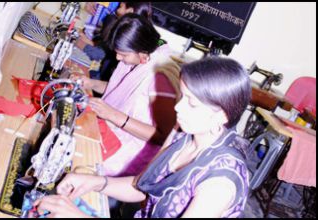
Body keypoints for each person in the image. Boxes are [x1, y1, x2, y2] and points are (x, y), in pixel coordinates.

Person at [33, 57, 252, 218]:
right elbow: (142, 186)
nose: (178, 107)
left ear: (221, 115)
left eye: (192, 103)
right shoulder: (182, 133)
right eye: (182, 97)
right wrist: (95, 182)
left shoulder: (220, 182)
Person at [73, 13, 181, 177]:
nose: (118, 58)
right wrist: (90, 83)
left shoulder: (161, 78)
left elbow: (162, 136)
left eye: (123, 54)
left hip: (128, 159)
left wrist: (113, 115)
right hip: (112, 137)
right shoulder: (142, 60)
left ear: (142, 54)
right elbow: (124, 90)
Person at [77, 2, 153, 81]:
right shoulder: (112, 20)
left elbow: (100, 54)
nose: (120, 2)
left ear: (130, 11)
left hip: (102, 78)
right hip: (98, 73)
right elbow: (102, 47)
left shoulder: (128, 35)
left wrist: (78, 41)